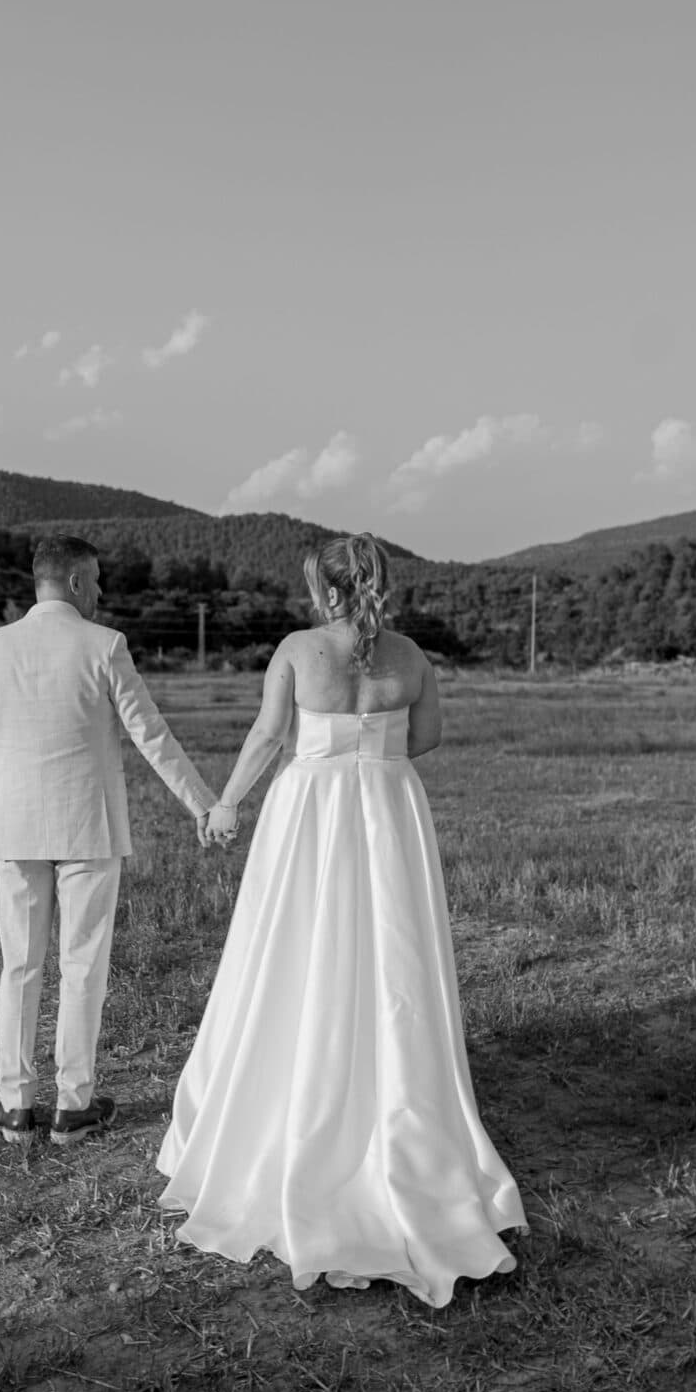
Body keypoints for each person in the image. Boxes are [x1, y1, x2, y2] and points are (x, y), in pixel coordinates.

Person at [157, 534, 526, 1300]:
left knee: (291, 949)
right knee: (391, 955)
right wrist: (374, 759)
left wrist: (227, 804)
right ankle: (398, 1111)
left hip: (309, 812)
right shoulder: (412, 657)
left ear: (323, 590)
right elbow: (426, 738)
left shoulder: (298, 649)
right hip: (387, 809)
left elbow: (267, 735)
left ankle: (289, 1096)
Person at [0, 535, 217, 1147]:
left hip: (13, 828)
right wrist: (203, 803)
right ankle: (73, 1107)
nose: (101, 591)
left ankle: (15, 1108)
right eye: (97, 580)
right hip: (88, 827)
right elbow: (153, 736)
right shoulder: (105, 646)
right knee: (82, 967)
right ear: (75, 582)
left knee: (18, 966)